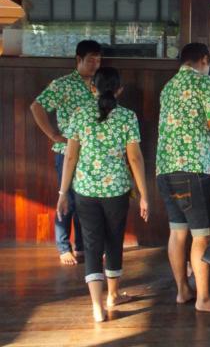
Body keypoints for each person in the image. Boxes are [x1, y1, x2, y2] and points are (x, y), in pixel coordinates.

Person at [55, 67, 149, 322]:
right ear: (119, 90)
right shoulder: (127, 117)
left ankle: (97, 307)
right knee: (114, 241)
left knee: (92, 244)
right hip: (116, 191)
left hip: (85, 191)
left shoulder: (79, 114)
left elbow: (70, 156)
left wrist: (62, 192)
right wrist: (144, 194)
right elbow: (135, 158)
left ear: (92, 88)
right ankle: (113, 296)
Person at [156, 43, 210, 313]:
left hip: (166, 169)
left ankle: (182, 290)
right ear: (204, 60)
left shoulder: (169, 86)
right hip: (192, 170)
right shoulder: (204, 83)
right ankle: (203, 299)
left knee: (178, 232)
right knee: (202, 235)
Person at [31, 40, 102, 265]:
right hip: (66, 150)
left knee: (86, 200)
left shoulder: (100, 84)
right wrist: (53, 134)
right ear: (78, 60)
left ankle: (81, 246)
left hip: (92, 153)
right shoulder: (62, 84)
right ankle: (63, 246)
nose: (95, 65)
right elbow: (36, 106)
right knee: (68, 199)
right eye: (90, 60)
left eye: (98, 60)